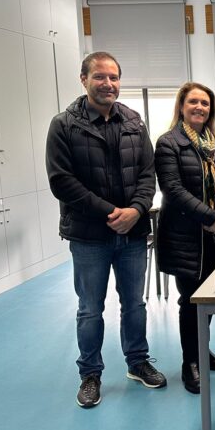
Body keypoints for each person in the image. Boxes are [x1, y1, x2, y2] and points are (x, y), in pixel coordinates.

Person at [46, 51, 166, 409]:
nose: (108, 83)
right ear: (84, 79)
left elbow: (147, 174)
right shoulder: (64, 125)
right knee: (89, 308)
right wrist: (111, 212)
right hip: (88, 236)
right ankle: (90, 374)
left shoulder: (134, 122)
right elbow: (61, 181)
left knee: (135, 304)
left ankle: (137, 362)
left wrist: (137, 209)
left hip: (132, 234)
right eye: (100, 76)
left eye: (114, 77)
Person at [154, 82, 215, 394]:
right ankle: (190, 362)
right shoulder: (168, 143)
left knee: (211, 298)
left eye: (205, 103)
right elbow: (172, 189)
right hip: (186, 237)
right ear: (182, 105)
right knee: (190, 301)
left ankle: (203, 351)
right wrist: (208, 217)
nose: (200, 107)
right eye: (193, 102)